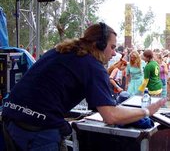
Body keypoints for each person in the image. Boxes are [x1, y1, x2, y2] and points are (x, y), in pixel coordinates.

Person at [2, 23, 167, 151]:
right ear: (99, 44)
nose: (114, 53)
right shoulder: (91, 65)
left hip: (10, 122)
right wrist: (147, 112)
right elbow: (110, 116)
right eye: (112, 47)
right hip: (37, 131)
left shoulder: (59, 51)